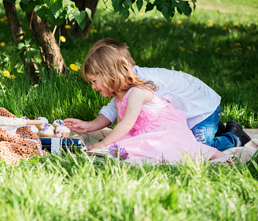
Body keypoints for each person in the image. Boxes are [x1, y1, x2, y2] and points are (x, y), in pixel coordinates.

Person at [65, 38, 251, 151]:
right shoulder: (124, 85)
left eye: (94, 82)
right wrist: (90, 126)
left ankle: (234, 137)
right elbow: (115, 110)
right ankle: (218, 128)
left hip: (201, 107)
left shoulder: (139, 82)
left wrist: (104, 141)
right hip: (184, 110)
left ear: (110, 73)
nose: (93, 87)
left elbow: (125, 119)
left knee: (199, 149)